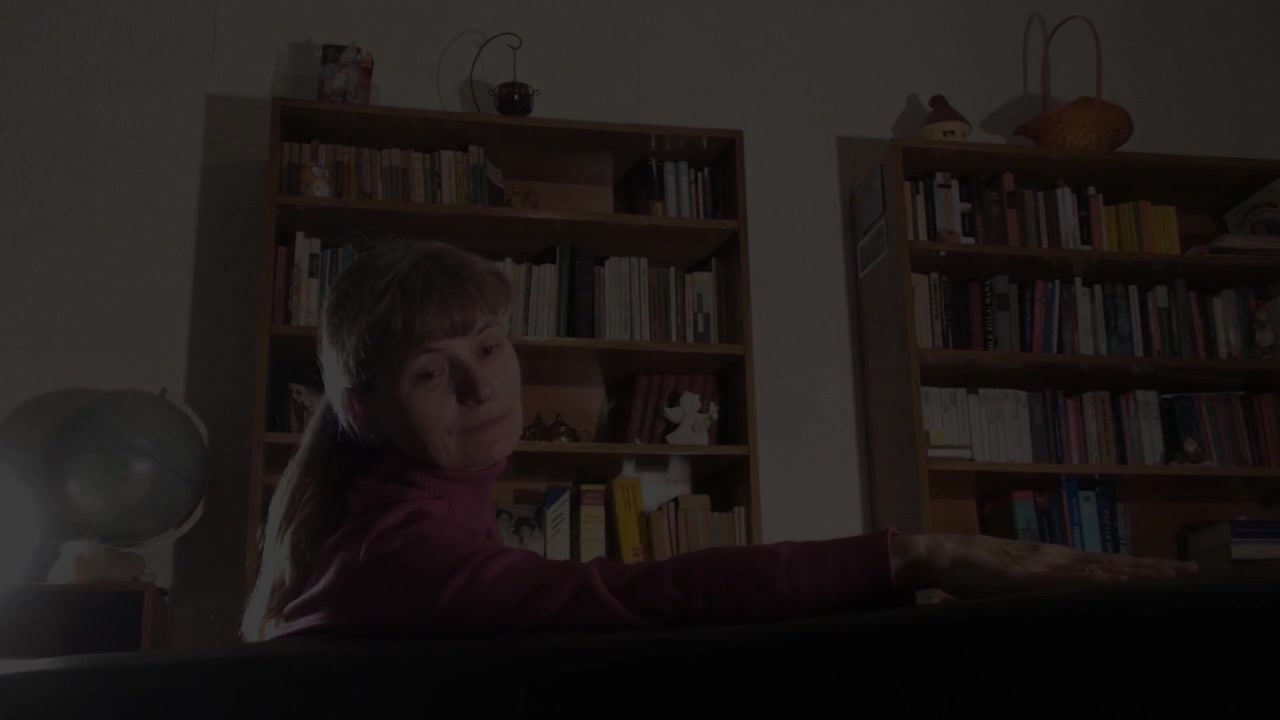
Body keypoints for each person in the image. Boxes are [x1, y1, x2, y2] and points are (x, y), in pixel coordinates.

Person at [240, 240, 1197, 642]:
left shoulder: (393, 525)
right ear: (361, 409)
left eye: (488, 348)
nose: (480, 386)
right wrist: (911, 554)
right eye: (429, 372)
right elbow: (628, 598)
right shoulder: (398, 550)